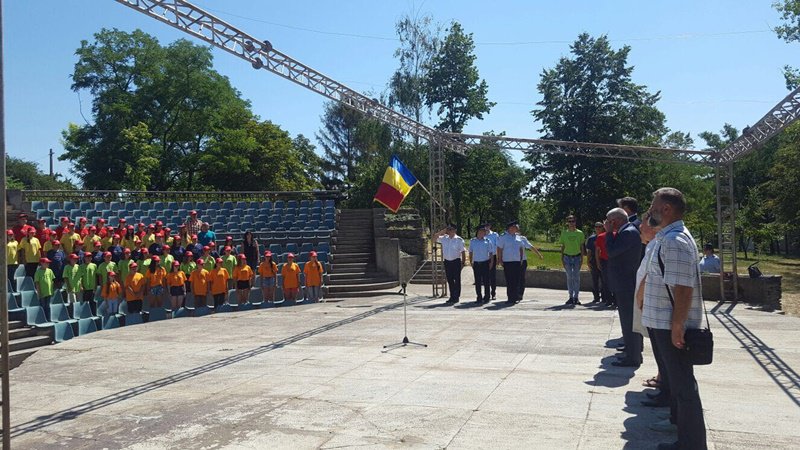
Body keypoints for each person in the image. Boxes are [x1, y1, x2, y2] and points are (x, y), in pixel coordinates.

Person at [642, 188, 707, 450]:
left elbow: (683, 288)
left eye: (653, 205)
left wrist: (677, 325)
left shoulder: (675, 240)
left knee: (684, 389)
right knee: (680, 386)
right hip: (663, 322)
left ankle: (691, 445)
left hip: (670, 325)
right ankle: (686, 439)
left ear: (666, 209)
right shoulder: (667, 237)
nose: (650, 210)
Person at [606, 207, 643, 367]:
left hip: (627, 283)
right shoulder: (627, 231)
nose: (607, 224)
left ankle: (633, 356)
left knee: (629, 321)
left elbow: (612, 251)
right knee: (627, 320)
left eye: (609, 221)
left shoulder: (628, 232)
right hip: (625, 283)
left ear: (616, 220)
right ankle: (631, 351)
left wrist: (608, 233)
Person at [432, 224, 466, 304]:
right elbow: (434, 239)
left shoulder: (459, 240)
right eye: (449, 230)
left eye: (451, 229)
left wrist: (463, 262)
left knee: (457, 279)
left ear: (455, 230)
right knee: (450, 279)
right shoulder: (444, 238)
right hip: (447, 261)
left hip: (456, 261)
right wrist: (442, 231)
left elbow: (463, 251)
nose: (450, 231)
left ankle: (456, 296)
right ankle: (452, 296)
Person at [496, 221, 524, 305]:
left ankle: (515, 297)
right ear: (509, 228)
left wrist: (521, 258)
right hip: (507, 261)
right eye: (513, 227)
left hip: (516, 261)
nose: (515, 229)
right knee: (509, 280)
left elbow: (521, 248)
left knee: (516, 280)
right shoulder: (503, 237)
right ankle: (510, 298)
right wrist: (500, 259)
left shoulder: (518, 237)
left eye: (515, 228)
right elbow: (499, 249)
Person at [559, 215, 585, 305]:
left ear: (575, 222)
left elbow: (582, 246)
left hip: (577, 257)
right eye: (569, 221)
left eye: (573, 221)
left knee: (576, 277)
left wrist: (582, 258)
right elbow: (563, 246)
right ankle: (570, 297)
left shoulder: (580, 233)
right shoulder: (564, 233)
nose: (571, 223)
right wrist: (562, 257)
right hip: (567, 257)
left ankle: (576, 297)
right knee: (569, 277)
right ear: (567, 223)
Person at [469, 226, 494, 304]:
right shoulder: (473, 241)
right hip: (476, 263)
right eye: (481, 231)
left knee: (486, 281)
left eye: (484, 231)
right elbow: (470, 252)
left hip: (485, 263)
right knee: (478, 281)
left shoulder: (488, 241)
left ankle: (487, 297)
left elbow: (491, 253)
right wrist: (471, 262)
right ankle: (479, 297)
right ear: (478, 232)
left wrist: (491, 262)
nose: (482, 233)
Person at [517, 232, 543, 300]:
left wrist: (539, 255)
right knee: (513, 278)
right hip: (511, 261)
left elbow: (531, 247)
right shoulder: (507, 237)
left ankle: (520, 294)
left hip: (522, 261)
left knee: (521, 278)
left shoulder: (522, 238)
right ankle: (513, 293)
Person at [595, 222, 615, 308]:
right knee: (606, 281)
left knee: (608, 281)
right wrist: (598, 262)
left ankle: (611, 300)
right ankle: (609, 299)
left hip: (611, 261)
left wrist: (598, 262)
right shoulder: (600, 236)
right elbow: (597, 250)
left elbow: (597, 251)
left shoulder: (615, 234)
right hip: (605, 260)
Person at [585, 222, 604, 303]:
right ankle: (596, 297)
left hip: (603, 260)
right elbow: (589, 251)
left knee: (604, 280)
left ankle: (604, 296)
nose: (598, 228)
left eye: (600, 226)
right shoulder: (591, 238)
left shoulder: (605, 236)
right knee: (595, 280)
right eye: (596, 226)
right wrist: (588, 261)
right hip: (593, 261)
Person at [484, 223, 499, 300]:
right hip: (483, 257)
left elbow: (497, 246)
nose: (486, 227)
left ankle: (493, 293)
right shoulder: (481, 234)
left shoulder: (494, 235)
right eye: (485, 225)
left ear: (490, 226)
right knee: (485, 277)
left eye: (487, 225)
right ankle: (486, 294)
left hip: (492, 256)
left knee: (492, 276)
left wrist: (498, 258)